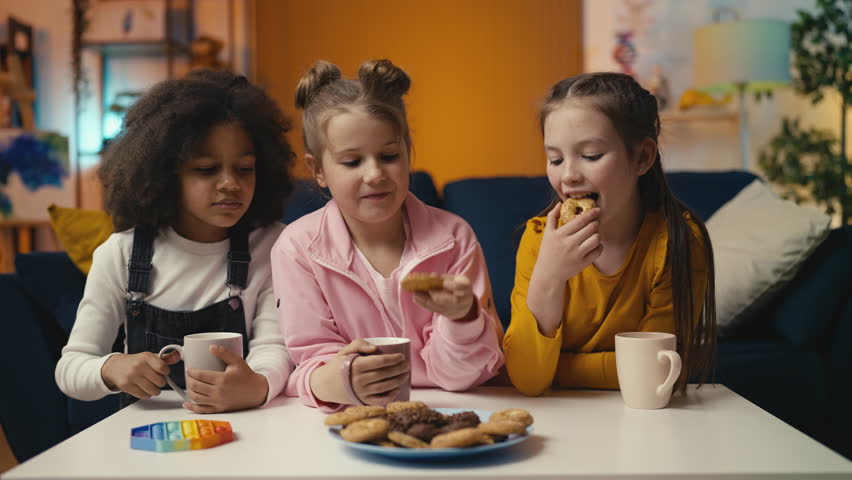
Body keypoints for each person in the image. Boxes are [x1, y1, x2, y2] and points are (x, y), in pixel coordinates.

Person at [55, 70, 295, 413]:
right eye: (206, 169)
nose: (230, 183)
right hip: (147, 440)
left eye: (244, 169)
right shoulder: (119, 255)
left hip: (246, 427)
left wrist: (257, 385)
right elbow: (70, 367)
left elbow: (275, 347)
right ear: (166, 174)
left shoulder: (273, 245)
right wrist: (109, 368)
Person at [271, 59, 504, 411]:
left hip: (449, 408)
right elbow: (310, 363)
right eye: (352, 162)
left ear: (408, 152)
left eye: (389, 155)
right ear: (318, 169)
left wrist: (463, 319)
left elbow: (461, 376)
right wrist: (344, 377)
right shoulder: (297, 247)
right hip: (349, 418)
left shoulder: (455, 238)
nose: (375, 173)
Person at [503, 72, 716, 396]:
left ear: (642, 157)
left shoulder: (676, 241)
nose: (569, 175)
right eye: (555, 159)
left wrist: (559, 368)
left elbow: (654, 373)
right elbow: (528, 379)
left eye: (591, 156)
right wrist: (549, 276)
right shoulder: (537, 240)